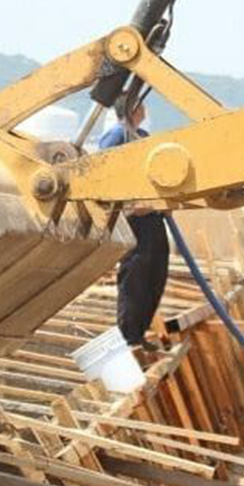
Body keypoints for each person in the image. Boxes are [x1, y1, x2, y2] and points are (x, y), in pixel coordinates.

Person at [99, 100, 168, 351]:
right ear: (130, 109)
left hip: (153, 216)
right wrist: (126, 207)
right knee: (136, 277)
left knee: (156, 275)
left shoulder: (143, 136)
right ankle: (129, 336)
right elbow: (102, 173)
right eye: (140, 105)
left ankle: (140, 332)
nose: (145, 109)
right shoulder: (117, 135)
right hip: (133, 219)